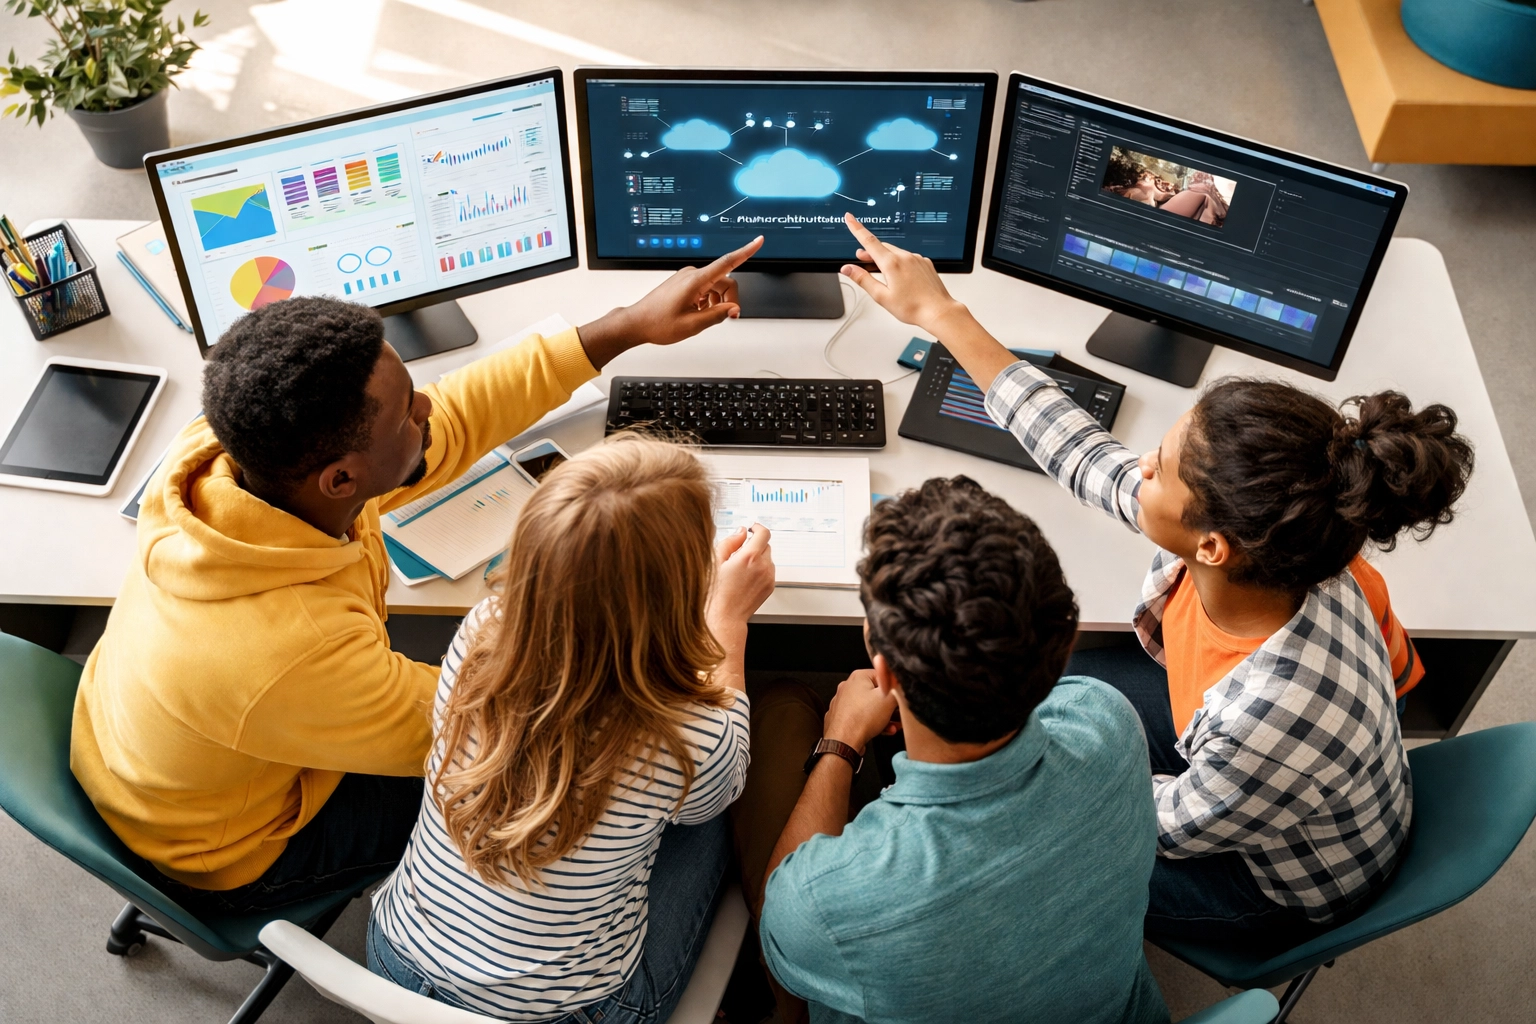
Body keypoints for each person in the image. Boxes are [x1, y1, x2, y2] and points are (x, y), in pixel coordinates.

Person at [69, 237, 763, 914]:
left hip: (155, 746)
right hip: (227, 847)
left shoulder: (234, 457)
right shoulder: (289, 654)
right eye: (409, 411)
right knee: (562, 800)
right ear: (342, 477)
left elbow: (456, 415)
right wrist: (707, 624)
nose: (429, 407)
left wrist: (626, 326)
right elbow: (505, 740)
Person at [835, 213, 1474, 943]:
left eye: (1160, 468)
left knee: (1008, 854)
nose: (1138, 467)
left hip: (1266, 885)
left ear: (1211, 547)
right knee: (1018, 685)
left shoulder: (1269, 720)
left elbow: (1151, 825)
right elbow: (1083, 452)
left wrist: (985, 783)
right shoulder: (1296, 539)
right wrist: (940, 314)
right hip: (1232, 766)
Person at [368, 436, 775, 1023]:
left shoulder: (481, 632)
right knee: (717, 809)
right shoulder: (691, 732)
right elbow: (724, 780)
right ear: (679, 586)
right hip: (570, 1011)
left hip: (397, 962)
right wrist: (727, 622)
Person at [738, 477, 1170, 1024]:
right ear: (1059, 647)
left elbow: (782, 926)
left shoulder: (828, 900)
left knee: (779, 708)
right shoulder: (1106, 720)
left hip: (833, 930)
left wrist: (841, 746)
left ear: (885, 671)